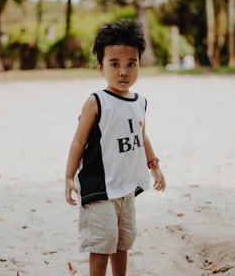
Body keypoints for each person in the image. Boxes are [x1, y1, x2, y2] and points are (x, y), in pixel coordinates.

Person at [65, 19, 166, 276]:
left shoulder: (140, 102)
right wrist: (68, 176)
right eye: (114, 64)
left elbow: (142, 137)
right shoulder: (96, 101)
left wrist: (154, 165)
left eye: (131, 64)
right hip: (100, 187)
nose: (123, 71)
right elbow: (78, 141)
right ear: (101, 67)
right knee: (102, 244)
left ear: (139, 64)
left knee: (123, 242)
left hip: (126, 188)